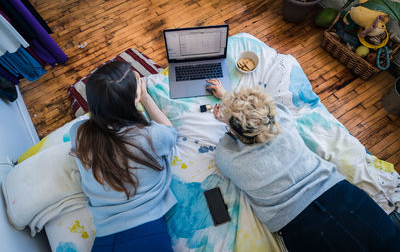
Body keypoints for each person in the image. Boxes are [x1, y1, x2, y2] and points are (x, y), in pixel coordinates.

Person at [206, 78, 400, 251]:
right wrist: (229, 100)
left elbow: (229, 141)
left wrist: (227, 117)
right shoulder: (284, 121)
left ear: (234, 130)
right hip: (344, 196)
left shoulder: (227, 158)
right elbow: (269, 109)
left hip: (301, 226)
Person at [70, 61, 177, 252]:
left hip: (105, 236)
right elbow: (171, 132)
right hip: (147, 231)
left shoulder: (77, 133)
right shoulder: (151, 136)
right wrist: (144, 97)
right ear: (131, 103)